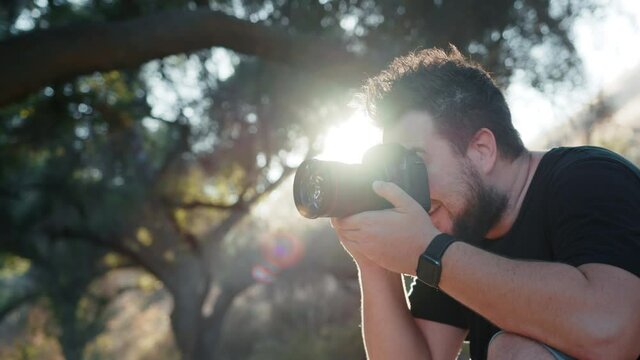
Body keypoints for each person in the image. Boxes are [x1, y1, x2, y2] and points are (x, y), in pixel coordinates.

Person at [330, 46, 640, 360]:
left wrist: (432, 253)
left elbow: (612, 331)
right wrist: (373, 261)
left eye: (415, 166)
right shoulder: (456, 229)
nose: (408, 190)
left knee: (513, 352)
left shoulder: (589, 178)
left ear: (481, 149)